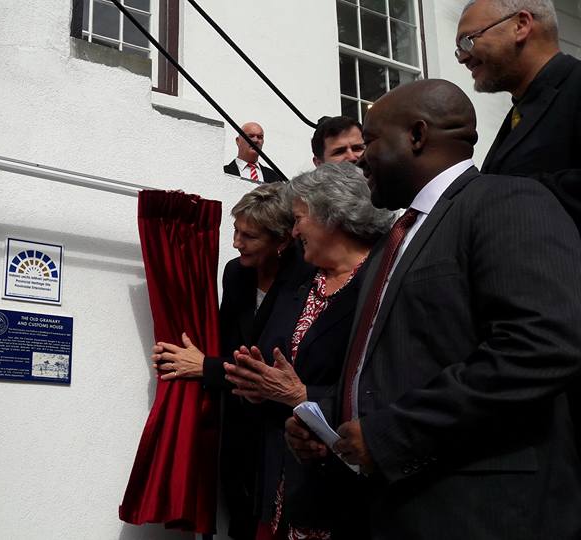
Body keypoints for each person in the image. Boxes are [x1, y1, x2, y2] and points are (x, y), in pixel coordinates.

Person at [286, 79, 581, 539]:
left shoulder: (509, 202)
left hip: (478, 512)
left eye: (372, 141)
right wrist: (329, 422)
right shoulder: (396, 238)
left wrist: (390, 435)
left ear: (417, 136)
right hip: (391, 510)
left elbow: (540, 348)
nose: (359, 158)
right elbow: (400, 360)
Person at [223, 162, 392, 540]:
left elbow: (386, 385)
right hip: (291, 479)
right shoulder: (304, 282)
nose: (295, 230)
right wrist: (258, 385)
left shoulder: (383, 281)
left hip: (352, 490)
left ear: (333, 217)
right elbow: (278, 365)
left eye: (300, 218)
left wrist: (302, 397)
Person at [456, 0, 581, 451]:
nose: (464, 56)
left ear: (521, 25)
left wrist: (503, 202)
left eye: (469, 40)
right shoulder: (517, 115)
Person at [151, 183, 296, 539]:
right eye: (235, 230)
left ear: (282, 241)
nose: (235, 243)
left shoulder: (307, 280)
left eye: (249, 236)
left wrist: (205, 367)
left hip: (285, 437)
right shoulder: (236, 273)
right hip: (241, 433)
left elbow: (278, 367)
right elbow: (230, 345)